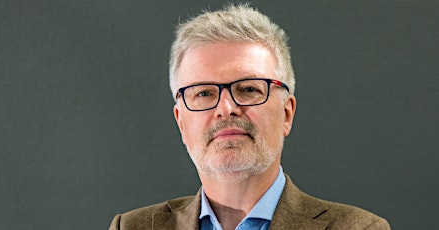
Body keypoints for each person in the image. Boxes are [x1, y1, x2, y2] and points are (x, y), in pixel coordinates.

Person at [109, 4, 390, 230]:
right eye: (204, 93)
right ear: (181, 122)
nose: (226, 107)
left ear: (286, 113)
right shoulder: (132, 227)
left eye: (248, 89)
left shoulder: (359, 227)